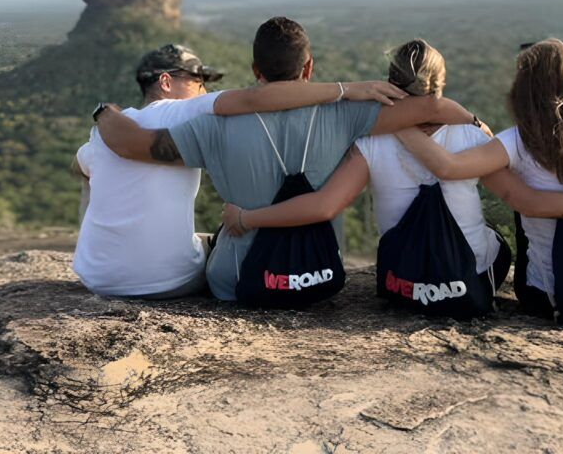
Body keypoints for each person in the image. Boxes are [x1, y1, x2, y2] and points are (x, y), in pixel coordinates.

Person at [95, 17, 485, 302]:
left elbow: (130, 144)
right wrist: (474, 122)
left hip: (236, 283)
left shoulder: (213, 124)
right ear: (309, 67)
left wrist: (105, 111)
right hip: (317, 275)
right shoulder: (346, 114)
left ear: (255, 71)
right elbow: (428, 109)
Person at [219, 39, 563, 299]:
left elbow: (324, 206)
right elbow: (521, 197)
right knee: (496, 237)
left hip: (402, 280)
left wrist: (248, 217)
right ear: (440, 88)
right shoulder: (473, 135)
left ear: (390, 83)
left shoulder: (369, 140)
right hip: (467, 278)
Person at [72, 41, 407, 300]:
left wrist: (104, 112)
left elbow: (80, 165)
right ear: (166, 81)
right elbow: (257, 99)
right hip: (167, 282)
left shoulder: (103, 133)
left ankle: (109, 251)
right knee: (211, 243)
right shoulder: (187, 111)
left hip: (95, 276)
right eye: (198, 80)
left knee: (100, 187)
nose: (204, 89)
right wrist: (346, 90)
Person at [393, 38, 563, 319]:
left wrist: (397, 124)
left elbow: (448, 168)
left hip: (548, 294)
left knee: (503, 225)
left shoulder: (516, 144)